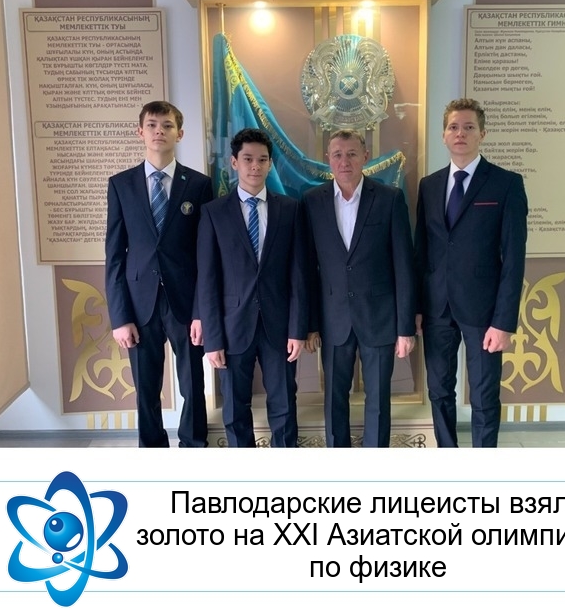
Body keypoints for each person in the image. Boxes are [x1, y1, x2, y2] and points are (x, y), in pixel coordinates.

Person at [414, 98, 528, 448]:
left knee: (483, 395)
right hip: (437, 309)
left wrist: (504, 322)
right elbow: (422, 252)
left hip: (484, 312)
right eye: (453, 127)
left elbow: (514, 259)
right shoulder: (429, 185)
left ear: (482, 134)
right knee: (438, 390)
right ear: (443, 135)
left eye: (468, 127)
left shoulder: (506, 184)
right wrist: (416, 307)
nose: (460, 133)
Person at [105, 100, 212, 447]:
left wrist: (202, 311)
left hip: (185, 302)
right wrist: (120, 317)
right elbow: (115, 256)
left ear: (179, 133)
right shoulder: (121, 185)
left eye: (167, 125)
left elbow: (206, 255)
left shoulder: (199, 185)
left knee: (193, 382)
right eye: (152, 125)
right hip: (140, 304)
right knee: (146, 386)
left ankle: (194, 444)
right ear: (140, 132)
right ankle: (152, 449)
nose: (159, 131)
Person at [303, 129, 416, 448]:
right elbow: (307, 268)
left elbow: (404, 266)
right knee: (334, 399)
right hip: (333, 319)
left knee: (378, 399)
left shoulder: (389, 198)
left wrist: (405, 328)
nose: (345, 161)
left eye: (352, 154)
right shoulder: (312, 201)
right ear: (328, 159)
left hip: (380, 318)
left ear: (365, 157)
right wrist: (311, 324)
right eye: (337, 154)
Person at [196, 128, 308, 447]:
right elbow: (207, 279)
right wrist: (213, 339)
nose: (255, 166)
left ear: (270, 164)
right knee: (234, 409)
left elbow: (299, 275)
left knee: (284, 405)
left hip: (279, 327)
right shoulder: (214, 212)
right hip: (232, 328)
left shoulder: (290, 209)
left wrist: (297, 330)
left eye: (262, 160)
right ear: (234, 162)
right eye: (247, 159)